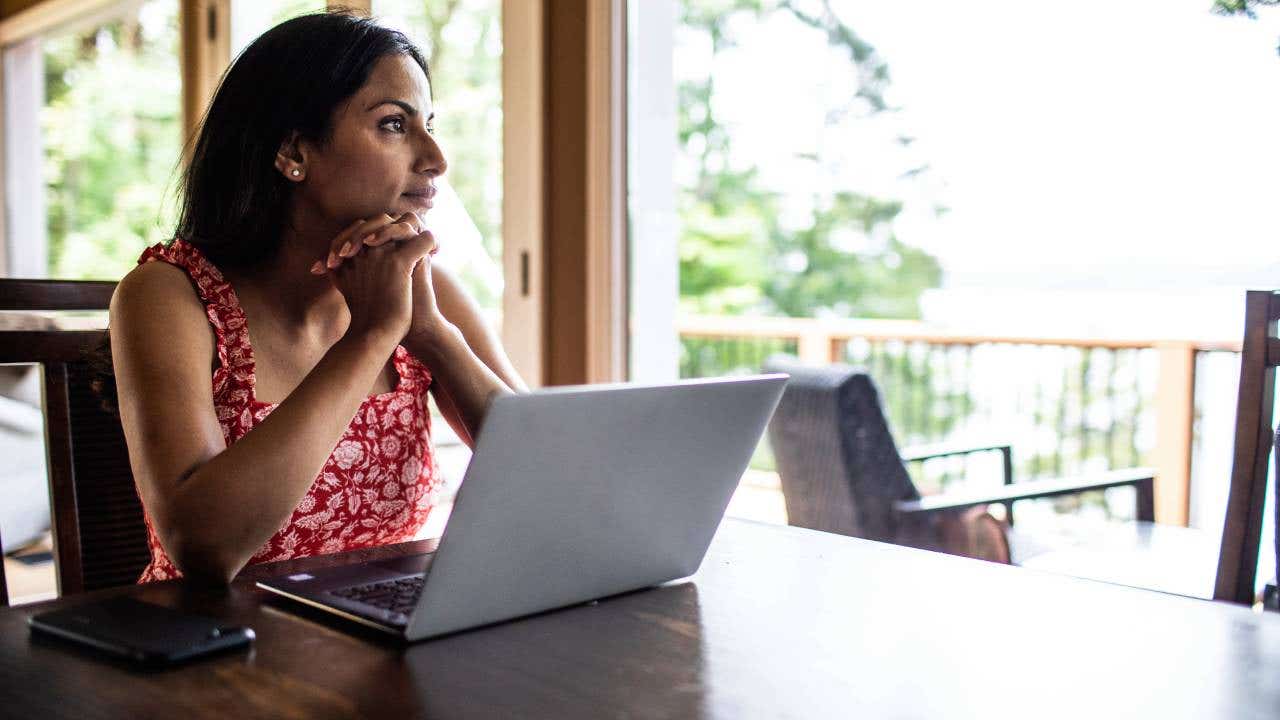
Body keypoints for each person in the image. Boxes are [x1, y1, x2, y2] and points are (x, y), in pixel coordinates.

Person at [108, 11, 524, 585]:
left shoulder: (424, 287)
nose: (436, 158)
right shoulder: (170, 295)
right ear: (294, 151)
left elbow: (543, 478)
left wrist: (428, 333)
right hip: (218, 650)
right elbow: (204, 547)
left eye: (430, 124)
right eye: (394, 125)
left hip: (384, 636)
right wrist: (373, 335)